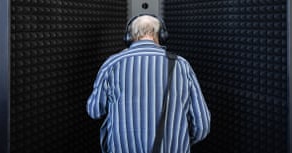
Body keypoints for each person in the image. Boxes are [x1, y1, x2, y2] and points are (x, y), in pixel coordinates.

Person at [87, 14, 210, 153]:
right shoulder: (181, 65)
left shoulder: (112, 64)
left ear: (129, 37)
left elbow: (95, 111)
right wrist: (180, 142)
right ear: (161, 35)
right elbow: (202, 125)